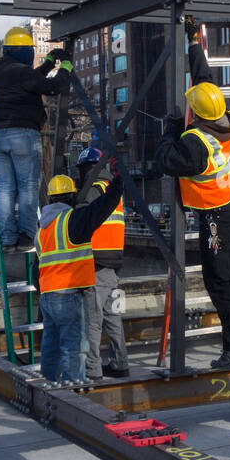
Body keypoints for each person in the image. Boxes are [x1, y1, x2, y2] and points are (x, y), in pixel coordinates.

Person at [156, 16, 230, 368]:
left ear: (197, 116)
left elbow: (165, 160)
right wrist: (193, 43)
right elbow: (204, 81)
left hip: (216, 214)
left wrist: (170, 130)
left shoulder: (196, 145)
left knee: (218, 279)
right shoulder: (226, 120)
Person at [0, 27, 71, 252]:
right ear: (25, 51)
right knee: (28, 186)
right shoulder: (23, 72)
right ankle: (27, 238)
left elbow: (31, 80)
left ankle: (8, 240)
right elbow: (54, 87)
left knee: (5, 188)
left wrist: (50, 64)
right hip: (22, 134)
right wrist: (65, 69)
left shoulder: (1, 72)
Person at [36, 164, 124, 383]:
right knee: (74, 347)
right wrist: (120, 181)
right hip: (68, 294)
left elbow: (37, 266)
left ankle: (50, 386)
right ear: (71, 197)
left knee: (50, 346)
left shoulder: (42, 229)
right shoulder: (71, 221)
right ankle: (74, 390)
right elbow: (101, 207)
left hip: (47, 296)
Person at [75, 147, 131, 379]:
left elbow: (79, 224)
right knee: (113, 318)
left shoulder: (90, 191)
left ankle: (92, 370)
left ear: (86, 169)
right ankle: (120, 364)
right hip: (113, 265)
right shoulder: (113, 191)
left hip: (95, 264)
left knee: (92, 321)